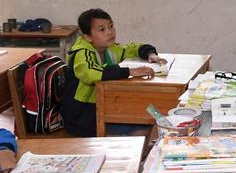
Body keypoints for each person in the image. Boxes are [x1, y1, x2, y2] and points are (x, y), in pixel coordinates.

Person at [60, 8, 167, 137]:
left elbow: (131, 48)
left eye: (111, 26)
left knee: (152, 115)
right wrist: (130, 71)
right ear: (87, 37)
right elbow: (91, 73)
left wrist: (151, 54)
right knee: (145, 130)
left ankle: (160, 134)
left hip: (105, 106)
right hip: (83, 117)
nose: (110, 32)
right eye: (102, 29)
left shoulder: (109, 49)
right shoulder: (82, 52)